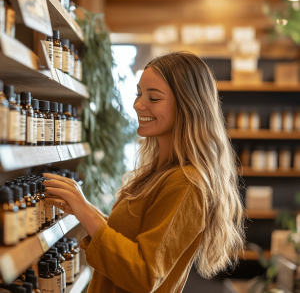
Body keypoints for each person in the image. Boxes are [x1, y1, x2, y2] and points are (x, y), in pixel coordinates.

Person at [43, 51, 246, 293]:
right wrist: (87, 210)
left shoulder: (186, 183)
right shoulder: (160, 171)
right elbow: (134, 241)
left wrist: (89, 215)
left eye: (154, 98)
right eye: (139, 94)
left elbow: (145, 275)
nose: (138, 105)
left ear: (187, 105)